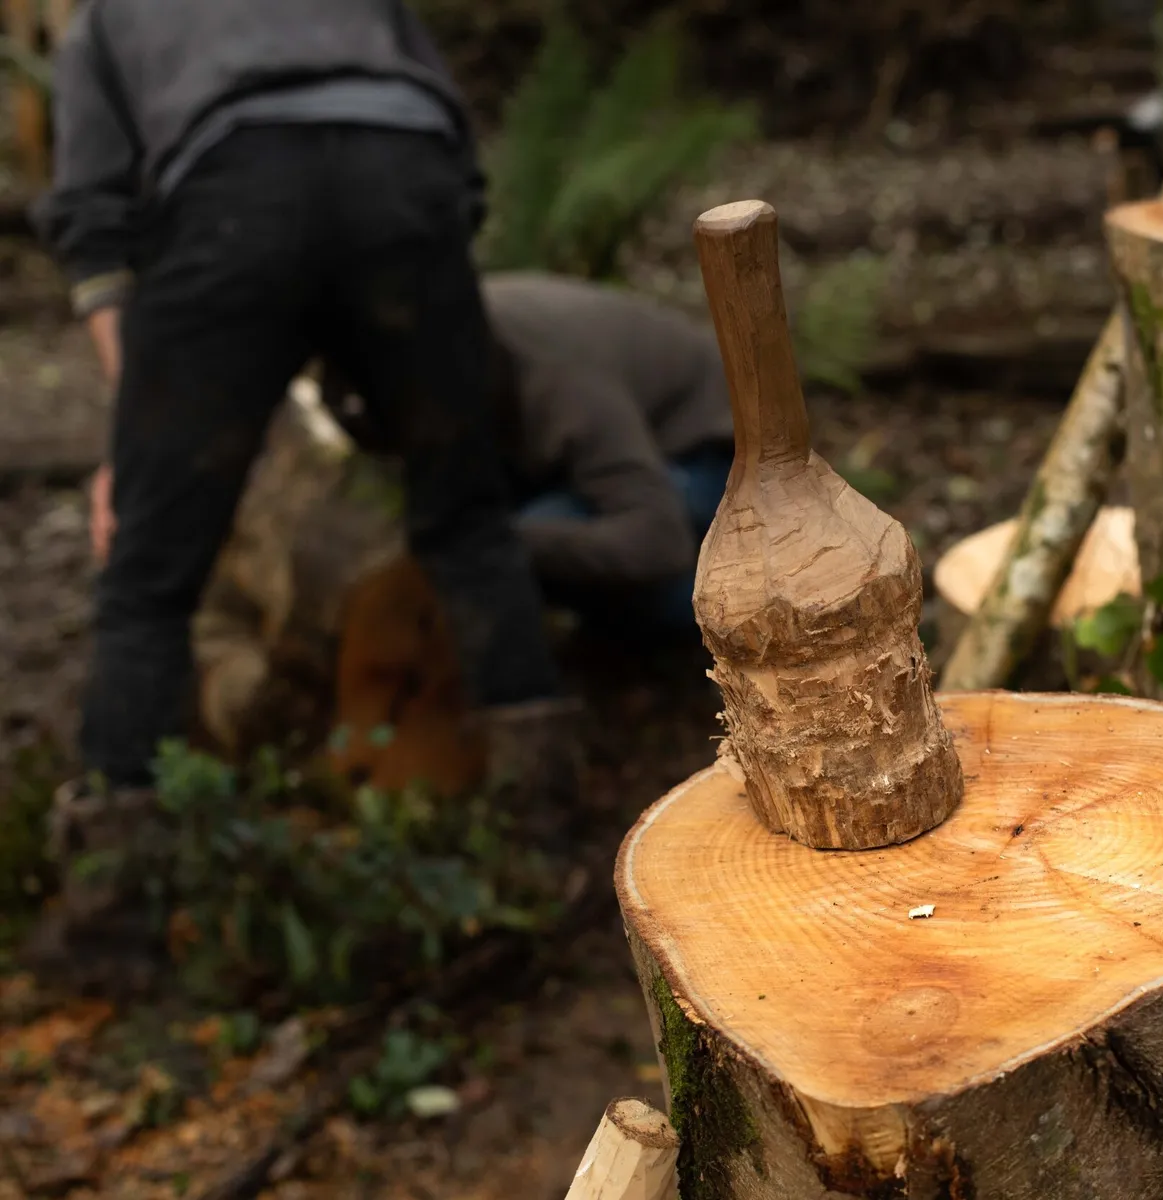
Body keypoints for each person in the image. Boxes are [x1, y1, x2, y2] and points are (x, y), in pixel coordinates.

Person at [30, 0, 573, 987]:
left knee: (149, 580)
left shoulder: (102, 19)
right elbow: (456, 151)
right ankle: (540, 836)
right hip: (405, 183)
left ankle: (114, 913)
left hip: (236, 200)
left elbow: (95, 235)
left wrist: (143, 442)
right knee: (466, 517)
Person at [325, 273, 736, 644]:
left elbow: (660, 540)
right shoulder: (412, 363)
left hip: (713, 452)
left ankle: (736, 612)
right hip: (615, 454)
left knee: (534, 535)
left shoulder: (560, 387)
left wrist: (508, 541)